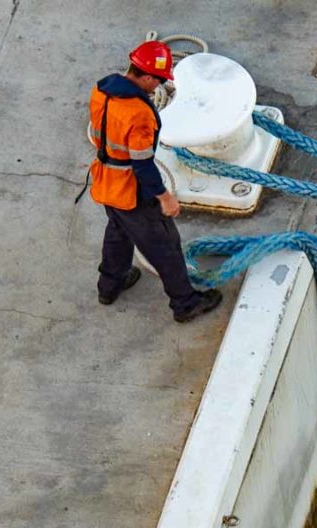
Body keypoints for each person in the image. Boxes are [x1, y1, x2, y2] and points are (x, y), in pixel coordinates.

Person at [87, 40, 222, 322]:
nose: (159, 86)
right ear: (146, 76)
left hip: (105, 181)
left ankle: (109, 286)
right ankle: (185, 303)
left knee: (118, 233)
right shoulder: (139, 114)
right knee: (165, 246)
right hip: (131, 191)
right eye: (158, 80)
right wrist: (164, 197)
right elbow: (143, 165)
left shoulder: (101, 90)